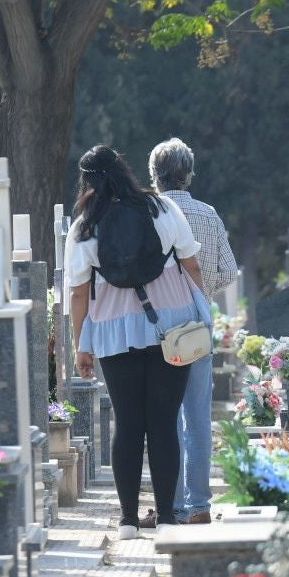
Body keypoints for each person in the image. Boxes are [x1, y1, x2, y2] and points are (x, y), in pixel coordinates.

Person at [66, 145, 208, 539]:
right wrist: (202, 311)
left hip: (114, 330)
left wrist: (82, 344)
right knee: (163, 423)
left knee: (127, 424)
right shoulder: (161, 209)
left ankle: (128, 520)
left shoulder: (85, 226)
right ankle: (166, 517)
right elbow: (191, 261)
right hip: (172, 327)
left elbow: (79, 292)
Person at [148, 136, 237, 526]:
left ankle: (172, 505)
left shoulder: (149, 214)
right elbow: (229, 271)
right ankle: (200, 505)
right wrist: (203, 291)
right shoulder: (208, 213)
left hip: (157, 325)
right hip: (199, 323)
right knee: (197, 415)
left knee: (162, 417)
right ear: (189, 175)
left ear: (154, 176)